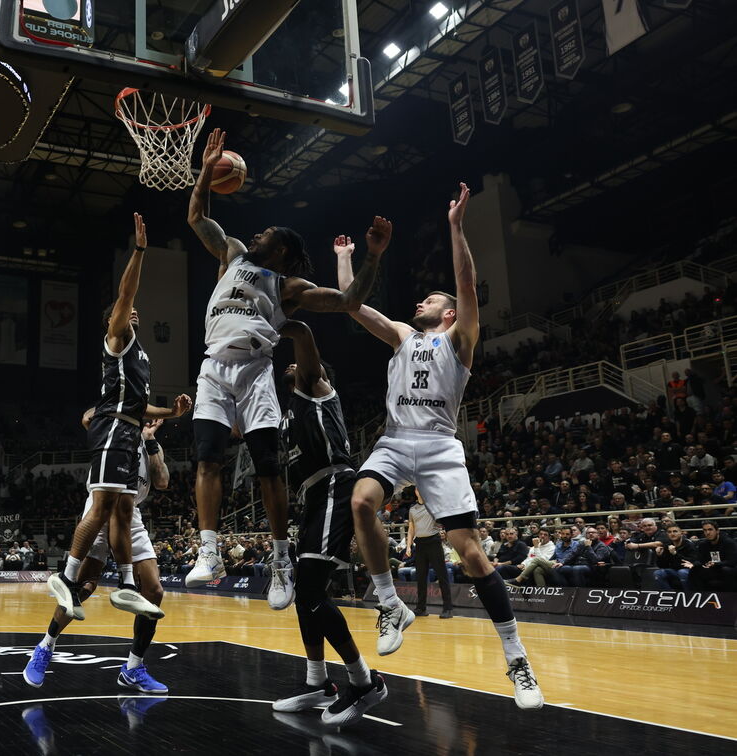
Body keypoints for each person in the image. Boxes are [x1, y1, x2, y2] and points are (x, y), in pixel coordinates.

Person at [335, 182, 543, 708]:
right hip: (394, 439)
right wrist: (345, 257)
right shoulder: (404, 335)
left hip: (439, 445)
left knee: (469, 551)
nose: (418, 302)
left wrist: (455, 228)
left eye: (429, 300)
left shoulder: (459, 338)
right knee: (360, 501)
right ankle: (390, 604)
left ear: (448, 314)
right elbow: (353, 306)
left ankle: (516, 657)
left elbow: (467, 282)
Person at [185, 127, 391, 612]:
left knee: (268, 467)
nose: (256, 235)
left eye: (267, 235)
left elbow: (349, 300)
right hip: (213, 368)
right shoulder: (232, 253)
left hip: (256, 372)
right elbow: (197, 216)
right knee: (206, 459)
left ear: (280, 249)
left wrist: (374, 256)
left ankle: (282, 558)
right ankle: (209, 551)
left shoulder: (288, 285)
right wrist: (204, 171)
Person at [48, 213, 190, 623]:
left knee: (125, 508)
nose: (134, 312)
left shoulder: (140, 354)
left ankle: (128, 586)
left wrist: (172, 412)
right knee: (104, 503)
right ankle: (67, 575)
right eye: (127, 310)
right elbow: (126, 291)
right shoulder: (117, 338)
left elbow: (138, 406)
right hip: (112, 430)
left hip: (128, 430)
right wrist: (140, 252)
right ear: (115, 318)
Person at [269, 319, 386, 726]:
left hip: (336, 485)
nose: (289, 369)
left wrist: (273, 322)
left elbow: (302, 334)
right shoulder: (289, 411)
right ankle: (318, 681)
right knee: (304, 595)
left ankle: (363, 680)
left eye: (295, 367)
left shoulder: (316, 388)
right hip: (313, 496)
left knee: (313, 592)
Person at [25, 416, 173, 693]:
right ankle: (45, 647)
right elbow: (87, 418)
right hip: (100, 510)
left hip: (131, 515)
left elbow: (162, 481)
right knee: (82, 588)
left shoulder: (149, 444)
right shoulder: (114, 428)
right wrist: (125, 413)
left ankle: (133, 668)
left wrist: (151, 440)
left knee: (154, 591)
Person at [402, 492, 452, 618]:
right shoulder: (412, 509)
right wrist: (408, 546)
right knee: (420, 577)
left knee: (442, 575)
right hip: (420, 544)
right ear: (415, 491)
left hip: (434, 541)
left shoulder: (433, 505)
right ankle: (421, 608)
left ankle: (447, 608)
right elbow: (411, 529)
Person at [688, 521, 736, 591]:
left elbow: (732, 561)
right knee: (694, 570)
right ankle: (699, 596)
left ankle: (730, 597)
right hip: (712, 570)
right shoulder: (703, 544)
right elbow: (700, 560)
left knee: (726, 570)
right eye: (705, 530)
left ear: (717, 531)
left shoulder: (729, 543)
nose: (707, 533)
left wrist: (716, 564)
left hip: (726, 568)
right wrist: (694, 564)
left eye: (710, 529)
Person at [652, 524, 696, 590]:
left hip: (688, 570)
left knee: (682, 572)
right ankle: (671, 595)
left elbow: (690, 562)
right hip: (673, 570)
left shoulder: (688, 544)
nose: (672, 534)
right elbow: (662, 566)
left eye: (675, 531)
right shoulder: (667, 545)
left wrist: (675, 554)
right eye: (669, 532)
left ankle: (689, 595)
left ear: (681, 533)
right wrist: (660, 556)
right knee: (658, 573)